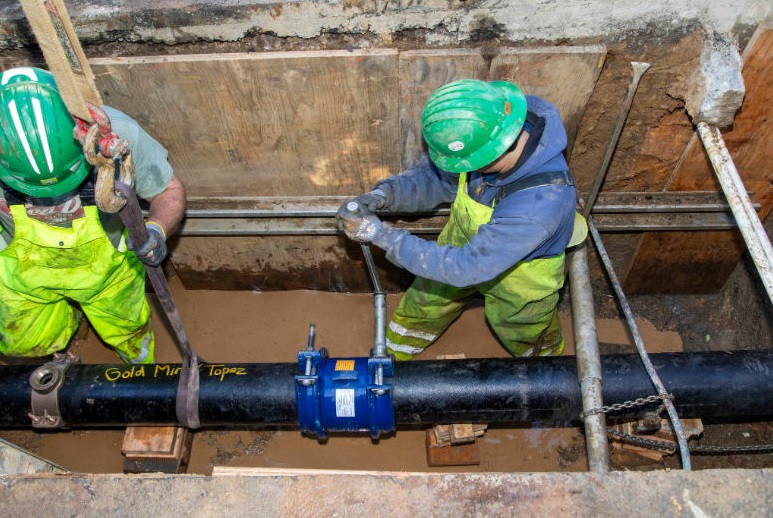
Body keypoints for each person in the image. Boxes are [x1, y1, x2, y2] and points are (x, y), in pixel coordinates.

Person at [337, 78, 586, 360]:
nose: (462, 170)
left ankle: (549, 373)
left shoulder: (541, 203)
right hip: (461, 247)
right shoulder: (488, 126)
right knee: (426, 301)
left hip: (522, 274)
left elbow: (466, 267)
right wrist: (382, 196)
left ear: (493, 153)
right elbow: (434, 180)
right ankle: (393, 355)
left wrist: (378, 234)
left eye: (465, 164)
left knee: (523, 325)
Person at [0, 66, 186, 364]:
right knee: (23, 342)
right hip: (21, 268)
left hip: (107, 268)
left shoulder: (117, 137)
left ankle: (140, 381)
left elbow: (168, 192)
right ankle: (58, 356)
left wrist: (157, 231)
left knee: (130, 333)